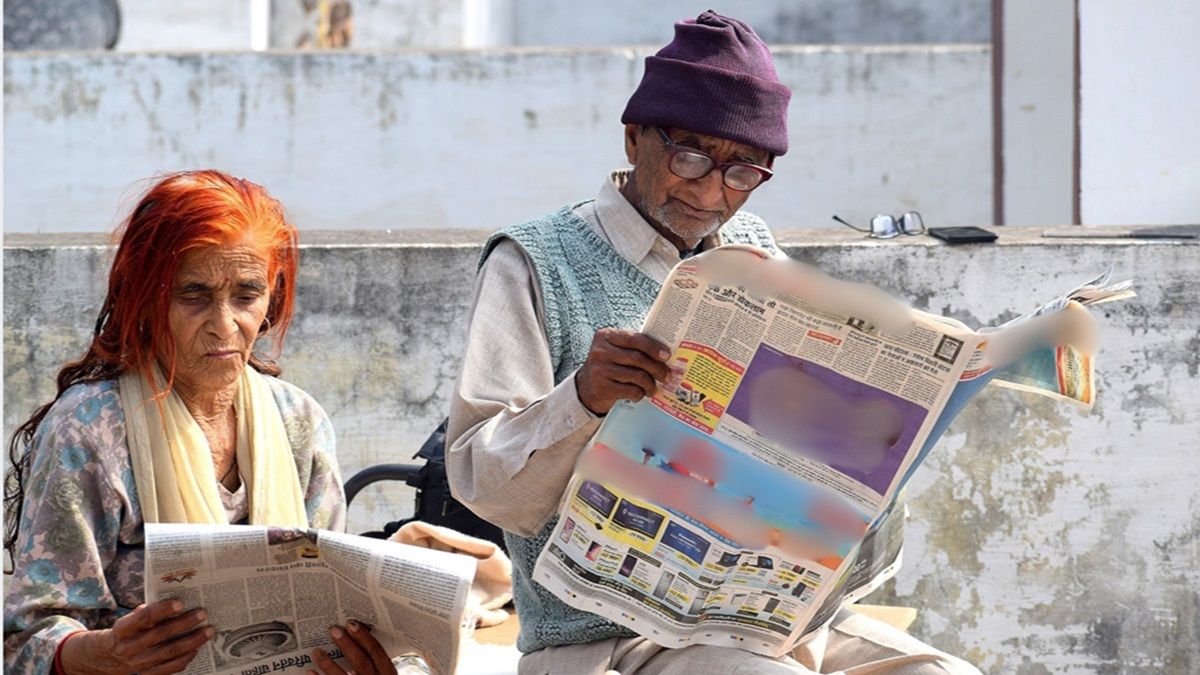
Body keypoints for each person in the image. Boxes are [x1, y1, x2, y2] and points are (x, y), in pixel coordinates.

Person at [446, 12, 981, 674]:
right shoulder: (535, 260)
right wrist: (583, 397)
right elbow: (480, 479)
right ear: (635, 136)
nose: (709, 190)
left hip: (767, 621)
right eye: (690, 155)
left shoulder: (752, 249)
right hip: (609, 638)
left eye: (742, 170)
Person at [2, 171, 394, 675]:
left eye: (247, 295)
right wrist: (101, 653)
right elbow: (26, 641)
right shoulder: (92, 429)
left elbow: (332, 604)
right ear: (144, 298)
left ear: (271, 297)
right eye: (194, 294)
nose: (225, 325)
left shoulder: (298, 420)